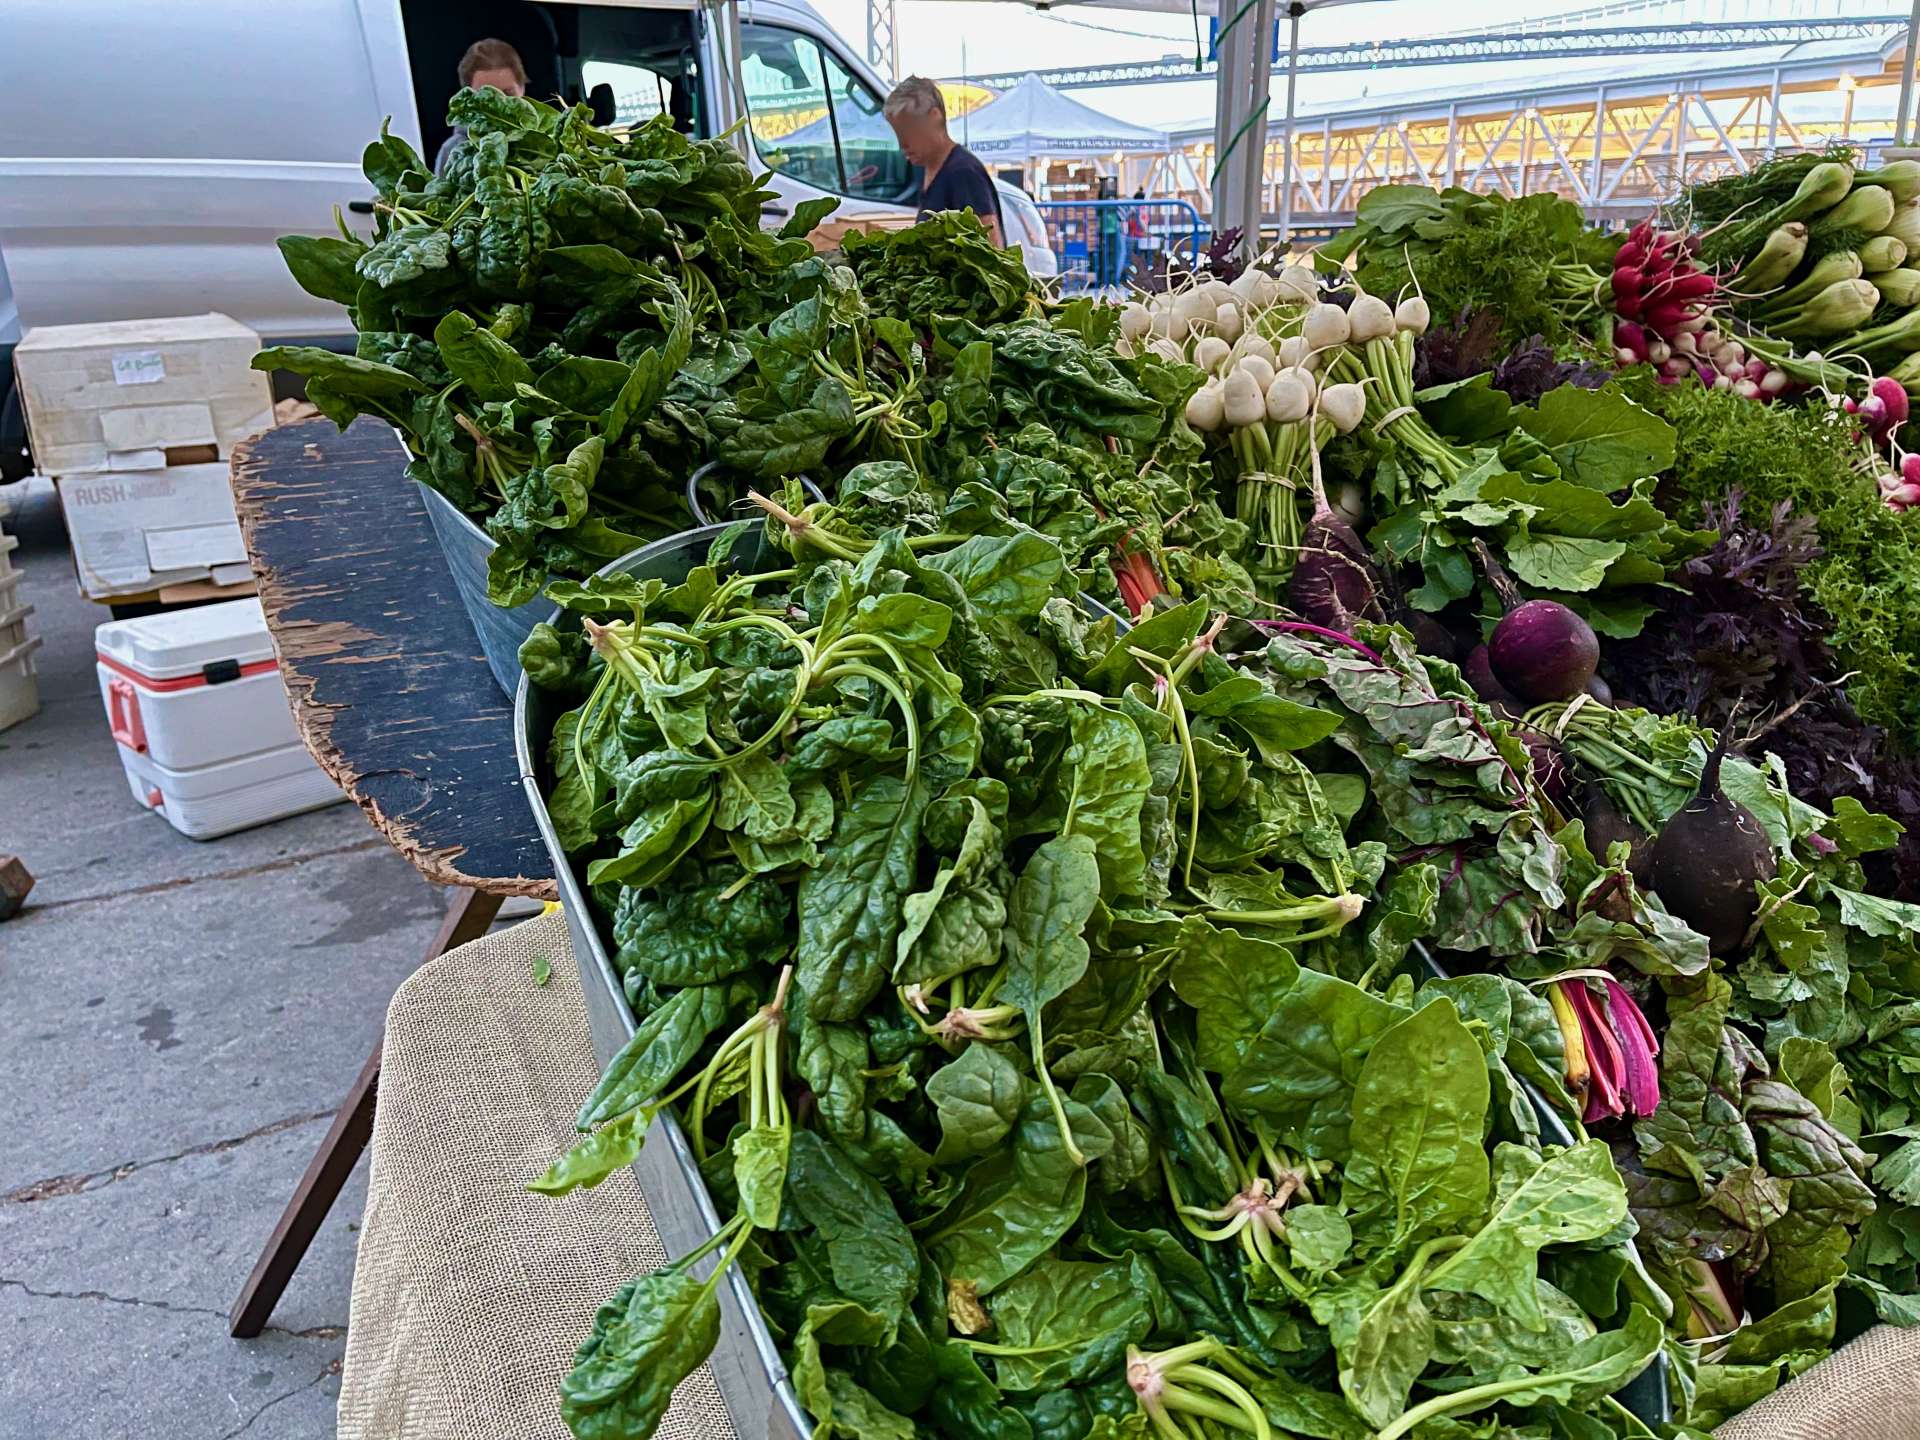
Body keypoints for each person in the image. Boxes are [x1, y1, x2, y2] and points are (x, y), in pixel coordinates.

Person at [882, 76, 1002, 246]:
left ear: (934, 117)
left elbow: (993, 249)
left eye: (909, 131)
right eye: (898, 134)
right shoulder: (930, 168)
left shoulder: (963, 172)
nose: (902, 144)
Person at [433, 39, 529, 177]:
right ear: (468, 99)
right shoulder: (453, 152)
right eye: (485, 96)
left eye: (507, 94)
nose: (497, 106)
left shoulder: (548, 143)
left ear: (522, 87)